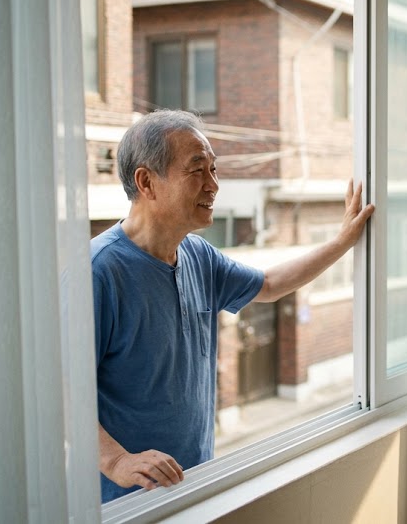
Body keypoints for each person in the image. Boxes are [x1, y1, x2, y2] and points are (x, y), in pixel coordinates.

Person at [92, 110, 374, 502]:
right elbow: (59, 392)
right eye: (197, 170)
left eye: (213, 169)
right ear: (146, 182)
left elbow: (270, 284)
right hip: (128, 504)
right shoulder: (99, 271)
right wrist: (117, 461)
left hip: (194, 486)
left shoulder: (198, 255)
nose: (213, 184)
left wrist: (343, 241)